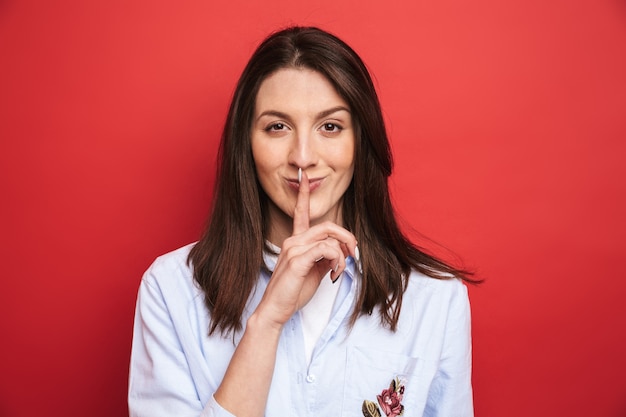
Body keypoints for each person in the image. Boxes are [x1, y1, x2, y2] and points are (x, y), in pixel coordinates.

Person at [129, 26, 475, 417]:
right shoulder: (171, 290)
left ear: (362, 142)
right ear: (247, 143)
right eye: (277, 127)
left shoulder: (436, 298)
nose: (303, 156)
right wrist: (267, 321)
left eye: (330, 127)